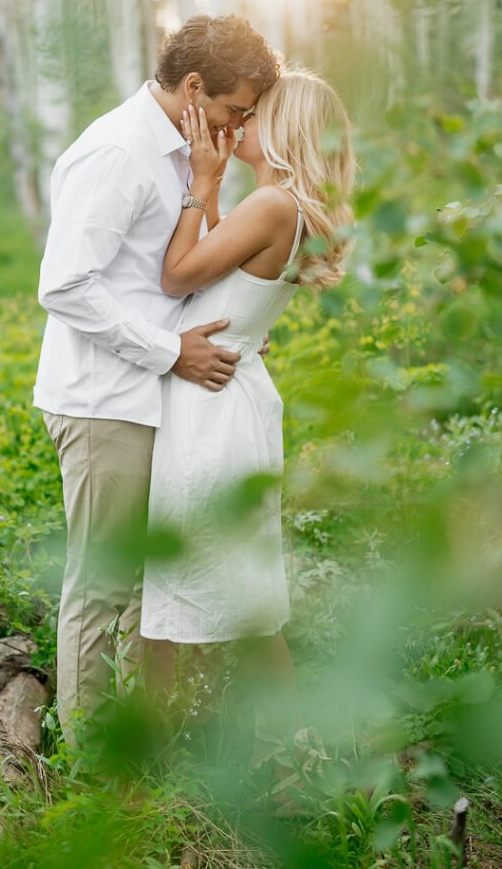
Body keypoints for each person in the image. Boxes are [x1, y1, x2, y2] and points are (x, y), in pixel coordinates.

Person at [34, 15, 281, 748]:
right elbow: (65, 285)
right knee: (103, 587)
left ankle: (145, 746)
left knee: (152, 587)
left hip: (159, 397)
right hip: (105, 398)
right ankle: (91, 772)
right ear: (194, 86)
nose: (239, 124)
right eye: (235, 108)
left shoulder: (186, 152)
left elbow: (175, 269)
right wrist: (169, 351)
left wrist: (229, 320)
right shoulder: (116, 151)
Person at [140, 69, 355, 762]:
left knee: (174, 584)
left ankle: (143, 761)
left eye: (253, 115)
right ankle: (293, 747)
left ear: (283, 127)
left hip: (210, 404)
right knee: (241, 585)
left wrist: (200, 182)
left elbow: (177, 277)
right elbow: (215, 283)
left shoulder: (270, 206)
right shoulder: (284, 205)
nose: (237, 125)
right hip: (232, 388)